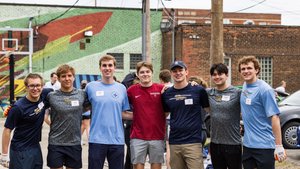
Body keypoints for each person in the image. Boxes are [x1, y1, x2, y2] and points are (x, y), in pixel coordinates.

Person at [238, 56, 287, 169]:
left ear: (257, 70)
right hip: (247, 145)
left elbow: (274, 117)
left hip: (264, 146)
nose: (246, 71)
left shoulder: (265, 90)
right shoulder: (245, 86)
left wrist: (279, 146)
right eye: (243, 69)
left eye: (249, 68)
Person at [85, 54, 132, 169]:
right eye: (104, 65)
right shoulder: (90, 87)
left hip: (117, 140)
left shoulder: (121, 88)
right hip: (96, 139)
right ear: (100, 68)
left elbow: (123, 113)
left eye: (110, 65)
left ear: (114, 68)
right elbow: (83, 108)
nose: (107, 68)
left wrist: (146, 115)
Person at [162, 61, 209, 169]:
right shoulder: (167, 94)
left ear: (186, 72)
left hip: (193, 142)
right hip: (175, 142)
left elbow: (209, 109)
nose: (178, 73)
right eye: (174, 71)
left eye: (180, 70)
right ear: (171, 74)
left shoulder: (198, 90)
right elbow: (164, 114)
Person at [1, 73, 52, 169]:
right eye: (31, 85)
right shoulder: (18, 107)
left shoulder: (45, 95)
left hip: (36, 147)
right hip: (20, 150)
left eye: (38, 85)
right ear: (26, 87)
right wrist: (4, 155)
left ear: (42, 86)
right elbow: (7, 130)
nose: (35, 88)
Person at [46, 64, 87, 169]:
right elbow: (40, 110)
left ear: (73, 77)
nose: (67, 78)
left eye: (69, 75)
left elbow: (92, 106)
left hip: (74, 143)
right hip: (56, 143)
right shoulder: (51, 96)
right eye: (63, 76)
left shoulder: (82, 94)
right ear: (58, 79)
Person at [127, 62, 166, 169]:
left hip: (157, 136)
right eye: (142, 72)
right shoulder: (131, 90)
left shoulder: (161, 89)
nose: (145, 74)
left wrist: (194, 83)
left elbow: (178, 89)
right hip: (138, 137)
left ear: (152, 73)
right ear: (138, 74)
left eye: (147, 71)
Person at [207, 63, 242, 169]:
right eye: (214, 74)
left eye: (220, 74)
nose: (217, 77)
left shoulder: (237, 93)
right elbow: (194, 90)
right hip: (215, 143)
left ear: (227, 75)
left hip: (233, 143)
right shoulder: (209, 93)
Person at [121, 72, 139, 169]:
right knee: (133, 153)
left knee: (130, 154)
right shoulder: (128, 94)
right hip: (129, 124)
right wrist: (134, 73)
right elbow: (125, 82)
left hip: (139, 126)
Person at [159, 69, 172, 169]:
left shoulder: (163, 89)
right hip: (177, 119)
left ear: (161, 79)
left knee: (168, 147)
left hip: (167, 119)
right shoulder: (175, 87)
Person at [80, 80, 90, 145]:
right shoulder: (88, 92)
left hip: (81, 112)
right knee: (87, 126)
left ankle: (79, 140)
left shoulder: (79, 92)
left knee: (83, 126)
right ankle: (90, 140)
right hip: (87, 112)